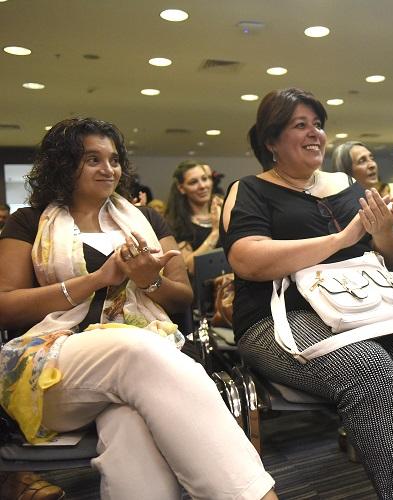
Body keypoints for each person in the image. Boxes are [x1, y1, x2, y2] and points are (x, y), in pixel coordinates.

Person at [0, 118, 276, 500]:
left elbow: (181, 299)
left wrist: (150, 281)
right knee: (133, 348)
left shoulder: (146, 220)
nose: (108, 169)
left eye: (113, 159)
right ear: (63, 165)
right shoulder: (28, 222)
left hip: (146, 370)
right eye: (92, 159)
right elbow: (6, 306)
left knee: (132, 430)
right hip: (52, 370)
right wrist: (97, 279)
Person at [221, 88, 393, 500]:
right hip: (279, 318)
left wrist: (384, 231)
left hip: (364, 309)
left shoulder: (346, 184)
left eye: (318, 125)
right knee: (369, 370)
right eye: (300, 125)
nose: (315, 133)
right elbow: (247, 260)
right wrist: (340, 238)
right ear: (270, 141)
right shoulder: (250, 190)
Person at [165, 160, 224, 275]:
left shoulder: (225, 210)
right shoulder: (176, 224)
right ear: (181, 188)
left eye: (205, 178)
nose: (202, 186)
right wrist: (215, 232)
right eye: (193, 182)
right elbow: (189, 267)